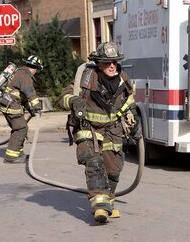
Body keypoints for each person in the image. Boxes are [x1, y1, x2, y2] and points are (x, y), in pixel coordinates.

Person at [58, 42, 136, 224]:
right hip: (88, 128)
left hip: (113, 129)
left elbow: (129, 100)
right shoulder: (86, 77)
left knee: (113, 169)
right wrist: (74, 102)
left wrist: (135, 121)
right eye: (107, 62)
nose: (112, 66)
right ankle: (100, 206)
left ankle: (108, 201)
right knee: (94, 163)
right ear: (98, 63)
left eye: (115, 62)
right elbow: (62, 97)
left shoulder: (122, 78)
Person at [0, 55, 43, 163]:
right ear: (34, 68)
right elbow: (29, 92)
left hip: (9, 104)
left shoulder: (20, 73)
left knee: (19, 128)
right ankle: (11, 157)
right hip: (11, 106)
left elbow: (22, 97)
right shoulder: (25, 76)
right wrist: (36, 106)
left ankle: (18, 152)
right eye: (36, 69)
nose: (36, 72)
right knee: (21, 128)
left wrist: (30, 109)